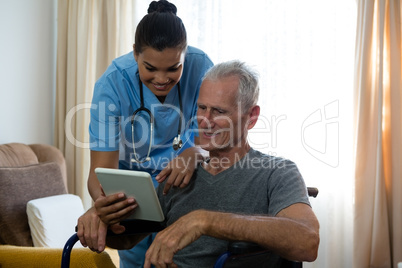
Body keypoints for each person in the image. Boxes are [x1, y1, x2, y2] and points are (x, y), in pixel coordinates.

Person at [95, 60, 320, 267]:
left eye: (219, 111)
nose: (205, 120)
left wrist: (204, 221)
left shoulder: (277, 173)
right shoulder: (180, 174)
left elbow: (307, 241)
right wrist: (105, 219)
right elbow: (126, 240)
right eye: (202, 108)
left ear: (251, 117)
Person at [76, 0, 213, 267]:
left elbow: (213, 142)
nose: (162, 79)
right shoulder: (113, 83)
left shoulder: (202, 68)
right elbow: (100, 172)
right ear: (135, 54)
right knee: (138, 260)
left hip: (181, 185)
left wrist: (195, 152)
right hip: (132, 192)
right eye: (150, 68)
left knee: (182, 257)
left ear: (185, 55)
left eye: (174, 68)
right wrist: (103, 203)